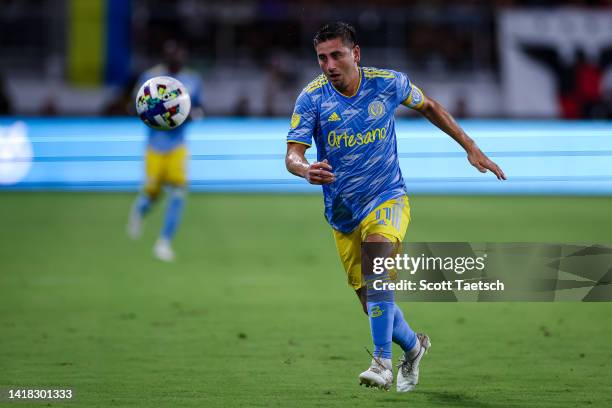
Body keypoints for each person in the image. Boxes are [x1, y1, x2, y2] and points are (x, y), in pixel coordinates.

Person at [285, 22, 505, 392]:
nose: (329, 65)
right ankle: (414, 347)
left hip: (388, 197)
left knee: (377, 258)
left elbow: (429, 106)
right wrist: (306, 170)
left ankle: (382, 362)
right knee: (371, 300)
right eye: (322, 58)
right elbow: (292, 155)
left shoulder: (387, 83)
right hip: (342, 214)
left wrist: (469, 144)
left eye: (336, 55)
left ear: (355, 54)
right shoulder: (312, 98)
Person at [127, 39, 204, 262]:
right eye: (171, 55)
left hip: (178, 146)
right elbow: (136, 106)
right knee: (153, 193)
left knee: (179, 192)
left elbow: (200, 107)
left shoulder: (192, 80)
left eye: (179, 54)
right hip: (155, 146)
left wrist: (191, 114)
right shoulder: (150, 80)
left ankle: (164, 242)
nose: (176, 59)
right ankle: (139, 210)